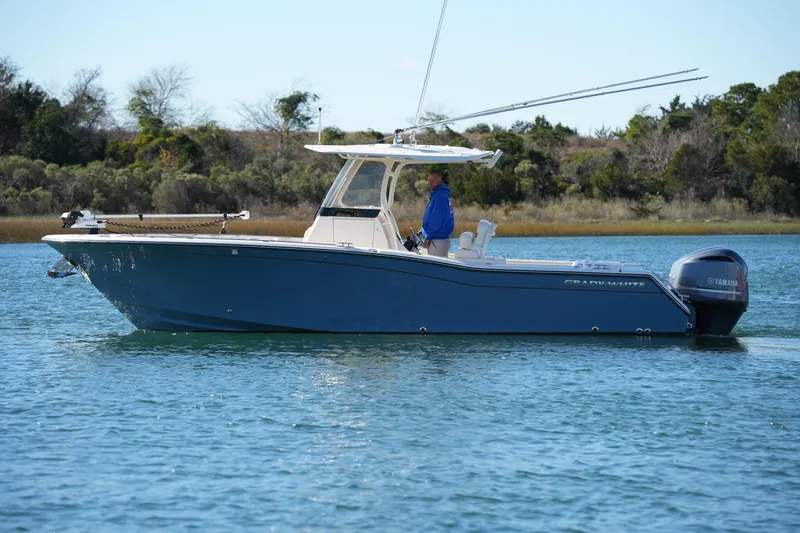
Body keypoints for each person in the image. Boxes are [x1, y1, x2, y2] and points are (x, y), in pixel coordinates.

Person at [419, 168, 454, 257]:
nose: (430, 183)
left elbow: (436, 220)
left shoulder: (440, 197)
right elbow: (431, 217)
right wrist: (421, 231)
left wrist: (428, 237)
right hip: (438, 240)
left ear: (439, 180)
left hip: (437, 241)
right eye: (429, 180)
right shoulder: (438, 195)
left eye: (433, 180)